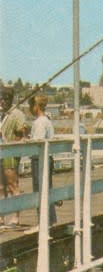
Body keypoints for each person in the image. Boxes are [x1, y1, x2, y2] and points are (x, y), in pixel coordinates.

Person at [1, 88, 29, 226]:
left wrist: (13, 144)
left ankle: (15, 217)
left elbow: (22, 132)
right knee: (0, 187)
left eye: (3, 98)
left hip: (10, 154)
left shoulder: (16, 114)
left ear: (8, 99)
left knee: (12, 185)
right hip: (1, 153)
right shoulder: (2, 114)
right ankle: (1, 217)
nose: (1, 101)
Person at [29, 94, 57, 225]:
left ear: (36, 106)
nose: (29, 108)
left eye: (31, 105)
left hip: (40, 159)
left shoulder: (40, 122)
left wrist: (26, 142)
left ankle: (43, 221)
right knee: (47, 188)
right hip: (48, 158)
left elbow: (38, 141)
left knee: (40, 189)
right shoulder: (46, 120)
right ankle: (49, 220)